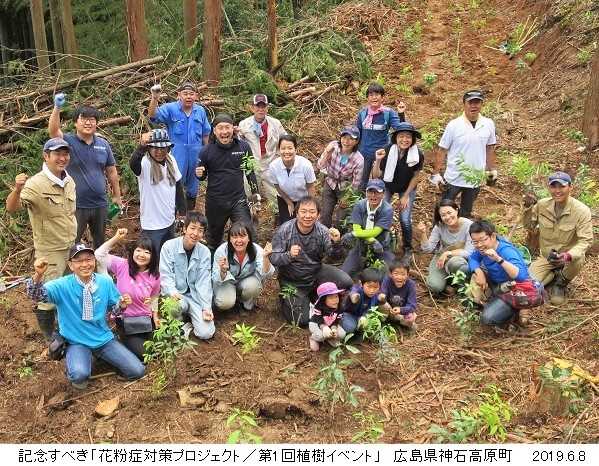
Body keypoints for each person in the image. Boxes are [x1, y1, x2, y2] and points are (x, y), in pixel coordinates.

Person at [26, 243, 145, 390]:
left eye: (89, 259)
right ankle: (77, 361)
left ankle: (99, 358)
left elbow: (114, 312)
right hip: (76, 341)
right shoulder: (62, 285)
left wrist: (121, 306)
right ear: (71, 265)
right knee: (79, 377)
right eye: (79, 261)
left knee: (137, 371)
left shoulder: (105, 282)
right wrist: (38, 275)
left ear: (94, 261)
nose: (85, 264)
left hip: (103, 339)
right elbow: (35, 295)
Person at [5, 137, 77, 340]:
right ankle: (49, 337)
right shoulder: (35, 184)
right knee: (48, 295)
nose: (62, 158)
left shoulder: (69, 180)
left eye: (65, 154)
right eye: (57, 154)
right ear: (46, 156)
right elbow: (12, 208)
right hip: (50, 250)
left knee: (67, 289)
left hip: (70, 246)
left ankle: (66, 327)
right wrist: (17, 189)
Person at [48, 93, 122, 248]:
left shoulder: (103, 144)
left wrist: (117, 196)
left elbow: (112, 172)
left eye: (92, 120)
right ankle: (73, 271)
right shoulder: (68, 141)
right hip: (76, 204)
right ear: (75, 123)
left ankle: (97, 271)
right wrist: (57, 107)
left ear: (96, 123)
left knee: (101, 244)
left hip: (100, 204)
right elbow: (54, 132)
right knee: (72, 243)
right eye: (84, 119)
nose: (88, 123)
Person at [270, 196, 353, 327]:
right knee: (302, 321)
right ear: (296, 213)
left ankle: (316, 294)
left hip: (316, 272)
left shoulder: (323, 231)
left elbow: (335, 257)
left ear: (318, 215)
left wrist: (336, 243)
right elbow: (273, 258)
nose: (307, 215)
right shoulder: (285, 230)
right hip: (292, 279)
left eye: (312, 212)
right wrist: (289, 255)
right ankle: (288, 298)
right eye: (303, 211)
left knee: (346, 281)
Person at [522, 171, 593, 305]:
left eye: (562, 186)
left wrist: (567, 256)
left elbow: (586, 241)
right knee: (528, 285)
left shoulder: (581, 211)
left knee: (578, 259)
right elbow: (529, 227)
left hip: (568, 259)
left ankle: (561, 283)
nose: (557, 191)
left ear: (570, 187)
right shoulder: (542, 205)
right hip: (546, 257)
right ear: (549, 188)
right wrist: (527, 209)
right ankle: (552, 274)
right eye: (553, 187)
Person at [195, 113, 260, 251]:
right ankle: (213, 267)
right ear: (214, 131)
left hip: (238, 200)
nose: (224, 132)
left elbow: (249, 172)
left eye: (227, 127)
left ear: (233, 128)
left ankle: (249, 267)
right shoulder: (206, 151)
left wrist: (255, 194)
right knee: (213, 238)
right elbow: (202, 176)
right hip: (215, 202)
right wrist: (199, 174)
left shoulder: (243, 147)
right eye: (220, 128)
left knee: (247, 234)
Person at [95, 229, 160, 359]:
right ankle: (121, 342)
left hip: (145, 321)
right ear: (133, 252)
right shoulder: (122, 265)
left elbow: (154, 296)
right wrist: (116, 238)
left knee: (160, 348)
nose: (142, 255)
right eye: (138, 250)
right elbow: (98, 255)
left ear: (153, 256)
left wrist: (155, 316)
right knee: (146, 355)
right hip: (126, 321)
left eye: (147, 252)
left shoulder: (155, 275)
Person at [431, 90, 497, 219]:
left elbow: (490, 148)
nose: (474, 106)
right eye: (470, 102)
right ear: (464, 104)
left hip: (475, 178)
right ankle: (437, 237)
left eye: (477, 102)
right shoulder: (454, 125)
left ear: (482, 104)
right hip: (454, 177)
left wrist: (492, 171)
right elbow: (442, 150)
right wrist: (436, 173)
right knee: (443, 210)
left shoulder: (488, 124)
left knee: (466, 212)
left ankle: (461, 237)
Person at [148, 81, 211, 210]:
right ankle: (175, 218)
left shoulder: (200, 111)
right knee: (175, 185)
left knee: (193, 188)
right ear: (179, 95)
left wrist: (207, 153)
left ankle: (189, 219)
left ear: (196, 96)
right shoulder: (171, 109)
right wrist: (154, 98)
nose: (188, 96)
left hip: (196, 155)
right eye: (185, 93)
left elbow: (205, 134)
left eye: (191, 94)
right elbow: (152, 116)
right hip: (177, 155)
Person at [468, 220, 536, 328]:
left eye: (482, 240)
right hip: (497, 284)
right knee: (474, 275)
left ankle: (520, 308)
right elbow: (473, 258)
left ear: (493, 236)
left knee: (487, 318)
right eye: (475, 242)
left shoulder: (506, 251)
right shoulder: (483, 249)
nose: (479, 245)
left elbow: (522, 276)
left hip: (515, 288)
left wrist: (498, 259)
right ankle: (490, 301)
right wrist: (479, 272)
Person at [129, 129, 187, 254]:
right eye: (155, 148)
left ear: (168, 148)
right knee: (151, 257)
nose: (159, 152)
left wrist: (182, 212)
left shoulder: (171, 160)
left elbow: (178, 185)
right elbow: (133, 164)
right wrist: (141, 147)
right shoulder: (145, 163)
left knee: (168, 255)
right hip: (152, 224)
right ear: (149, 148)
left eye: (163, 148)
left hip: (169, 219)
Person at [159, 211, 215, 340]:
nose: (195, 233)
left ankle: (188, 322)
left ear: (203, 234)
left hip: (195, 297)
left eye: (200, 230)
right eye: (192, 228)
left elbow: (204, 282)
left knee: (206, 333)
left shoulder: (204, 252)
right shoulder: (169, 247)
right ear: (185, 228)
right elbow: (165, 276)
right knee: (175, 307)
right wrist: (172, 292)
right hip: (176, 295)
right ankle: (179, 321)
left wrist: (206, 307)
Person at [371, 121, 424, 257]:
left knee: (405, 218)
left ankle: (407, 247)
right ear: (396, 138)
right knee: (382, 213)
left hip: (407, 187)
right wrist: (377, 161)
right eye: (401, 136)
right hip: (387, 185)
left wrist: (406, 196)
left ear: (412, 140)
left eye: (408, 137)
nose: (405, 140)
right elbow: (376, 176)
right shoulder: (387, 150)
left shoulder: (417, 154)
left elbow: (415, 177)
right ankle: (383, 242)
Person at [414, 200, 474, 295]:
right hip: (441, 259)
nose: (447, 217)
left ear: (456, 210)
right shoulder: (439, 226)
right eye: (443, 215)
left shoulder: (469, 225)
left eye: (449, 212)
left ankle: (463, 287)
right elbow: (428, 249)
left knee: (456, 263)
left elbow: (469, 252)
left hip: (460, 259)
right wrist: (423, 233)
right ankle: (449, 282)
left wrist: (448, 253)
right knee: (435, 286)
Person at [212, 222, 275, 312]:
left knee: (253, 286)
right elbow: (215, 278)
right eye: (234, 237)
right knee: (225, 303)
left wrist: (265, 258)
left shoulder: (256, 250)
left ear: (249, 238)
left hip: (246, 281)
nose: (239, 240)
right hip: (227, 282)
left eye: (242, 236)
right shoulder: (222, 251)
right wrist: (222, 271)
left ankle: (245, 304)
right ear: (229, 239)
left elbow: (267, 274)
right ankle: (229, 301)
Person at [356, 82, 406, 190]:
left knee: (378, 183)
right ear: (367, 98)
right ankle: (361, 204)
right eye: (371, 95)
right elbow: (357, 133)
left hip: (381, 154)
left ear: (382, 97)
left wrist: (401, 114)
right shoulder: (362, 113)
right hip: (364, 154)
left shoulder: (388, 113)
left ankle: (378, 204)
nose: (374, 97)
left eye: (377, 94)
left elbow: (400, 129)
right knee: (361, 183)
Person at [341, 179, 395, 278]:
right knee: (344, 274)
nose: (373, 196)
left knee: (390, 275)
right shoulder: (360, 205)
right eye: (370, 192)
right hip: (361, 245)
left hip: (381, 247)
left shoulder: (387, 209)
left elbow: (375, 232)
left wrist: (353, 234)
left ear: (383, 194)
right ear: (366, 192)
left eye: (377, 192)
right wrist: (372, 240)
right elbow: (357, 229)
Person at [238, 94, 287, 201]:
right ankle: (250, 215)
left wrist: (279, 159)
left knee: (276, 196)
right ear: (252, 108)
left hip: (270, 164)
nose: (261, 109)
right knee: (249, 196)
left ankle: (278, 215)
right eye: (257, 106)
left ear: (267, 108)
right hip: (252, 165)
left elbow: (285, 142)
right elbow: (238, 145)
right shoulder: (244, 124)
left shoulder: (275, 124)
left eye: (263, 106)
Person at [317, 125, 364, 228]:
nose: (346, 141)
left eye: (351, 139)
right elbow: (320, 165)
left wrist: (347, 197)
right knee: (325, 214)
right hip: (330, 182)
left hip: (345, 187)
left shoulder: (358, 159)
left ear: (356, 142)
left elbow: (356, 182)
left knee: (340, 219)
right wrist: (327, 154)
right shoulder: (333, 146)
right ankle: (324, 236)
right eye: (344, 137)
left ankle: (338, 239)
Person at [268, 134, 316, 225]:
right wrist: (289, 203)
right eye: (283, 148)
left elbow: (310, 187)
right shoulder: (273, 166)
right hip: (284, 198)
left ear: (295, 149)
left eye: (290, 148)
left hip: (303, 198)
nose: (286, 151)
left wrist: (310, 206)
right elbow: (277, 186)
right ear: (279, 150)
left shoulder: (305, 165)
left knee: (304, 223)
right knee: (287, 224)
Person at [341, 268, 387, 334]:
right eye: (369, 287)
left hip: (364, 315)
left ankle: (359, 328)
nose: (372, 290)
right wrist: (354, 297)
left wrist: (382, 299)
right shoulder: (357, 290)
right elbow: (352, 293)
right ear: (361, 284)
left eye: (375, 287)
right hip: (349, 315)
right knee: (350, 328)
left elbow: (379, 302)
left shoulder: (376, 294)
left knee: (373, 327)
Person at [308, 282, 347, 351]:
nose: (335, 300)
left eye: (336, 296)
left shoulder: (340, 307)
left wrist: (334, 328)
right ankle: (313, 338)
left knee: (342, 334)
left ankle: (329, 338)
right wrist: (324, 327)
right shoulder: (318, 307)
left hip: (330, 324)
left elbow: (337, 320)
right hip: (316, 323)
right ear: (323, 300)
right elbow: (318, 319)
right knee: (320, 336)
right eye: (331, 298)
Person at [379, 261, 418, 329]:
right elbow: (383, 294)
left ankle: (400, 322)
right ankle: (384, 322)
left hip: (401, 312)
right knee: (382, 305)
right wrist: (382, 298)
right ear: (390, 274)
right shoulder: (387, 281)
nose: (399, 277)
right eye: (396, 274)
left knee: (410, 319)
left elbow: (412, 305)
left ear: (407, 275)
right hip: (388, 309)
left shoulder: (411, 285)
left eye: (403, 274)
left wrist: (401, 310)